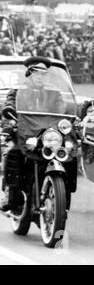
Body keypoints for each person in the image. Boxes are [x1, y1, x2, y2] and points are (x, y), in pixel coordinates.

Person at [0, 56, 63, 211]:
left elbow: (62, 109)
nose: (40, 77)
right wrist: (11, 118)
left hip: (46, 135)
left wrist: (68, 121)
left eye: (43, 74)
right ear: (30, 73)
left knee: (66, 154)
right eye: (37, 73)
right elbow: (9, 104)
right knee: (14, 153)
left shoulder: (53, 93)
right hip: (25, 133)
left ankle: (63, 195)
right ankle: (10, 196)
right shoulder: (18, 91)